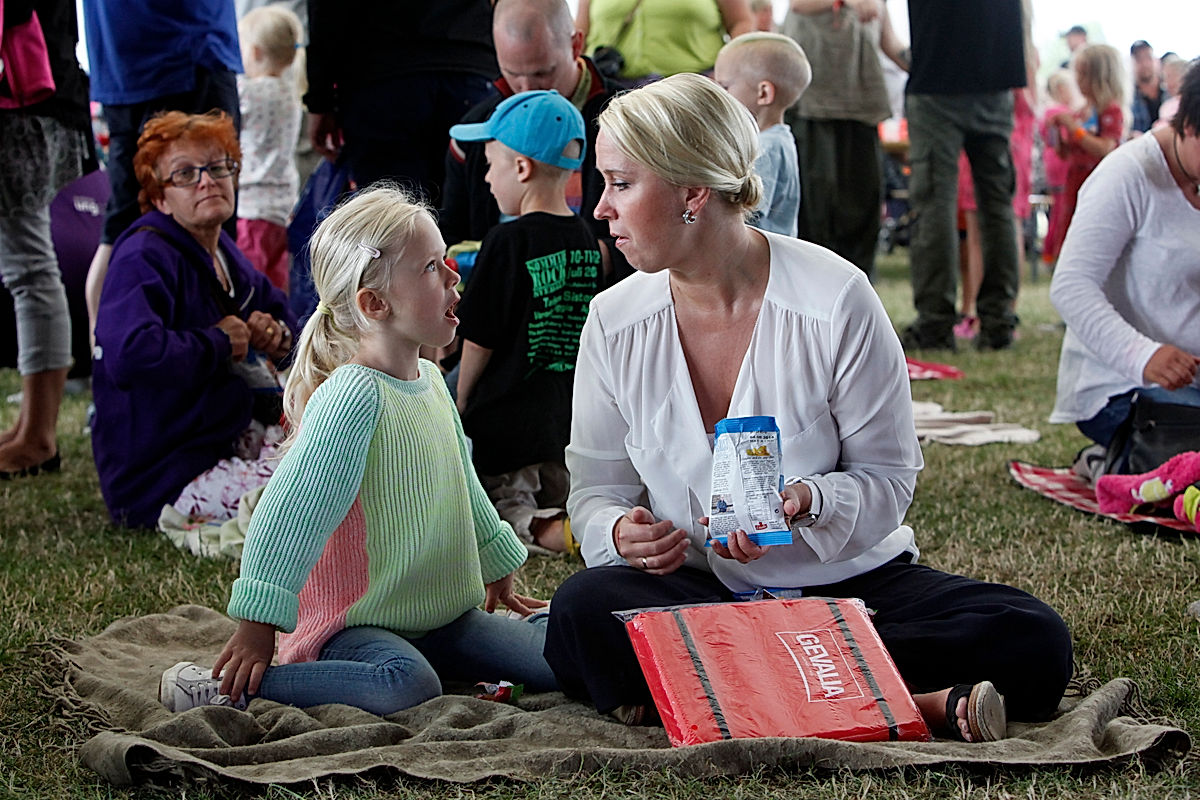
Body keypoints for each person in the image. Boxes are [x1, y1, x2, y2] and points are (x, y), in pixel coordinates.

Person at [543, 73, 1073, 740]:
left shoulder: (835, 299)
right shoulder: (614, 321)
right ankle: (907, 697)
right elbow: (594, 493)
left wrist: (810, 502)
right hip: (699, 589)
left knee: (1033, 638)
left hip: (849, 591)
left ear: (692, 192)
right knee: (581, 612)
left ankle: (730, 687)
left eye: (620, 183)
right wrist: (622, 534)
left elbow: (888, 480)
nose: (600, 208)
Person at [157, 185, 557, 715]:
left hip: (443, 615)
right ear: (375, 303)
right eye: (432, 267)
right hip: (357, 622)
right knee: (407, 686)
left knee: (555, 659)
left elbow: (461, 485)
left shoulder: (434, 382)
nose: (454, 276)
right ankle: (235, 690)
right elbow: (290, 515)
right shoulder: (351, 396)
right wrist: (258, 625)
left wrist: (497, 561)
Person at [91, 111, 298, 528]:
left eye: (219, 166)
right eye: (185, 174)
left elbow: (282, 314)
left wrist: (277, 336)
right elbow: (129, 354)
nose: (208, 180)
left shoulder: (221, 249)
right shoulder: (142, 257)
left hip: (221, 440)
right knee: (311, 486)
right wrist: (217, 342)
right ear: (160, 198)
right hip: (163, 474)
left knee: (339, 454)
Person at [449, 91, 603, 554]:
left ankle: (553, 532)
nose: (487, 178)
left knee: (502, 507)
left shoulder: (506, 241)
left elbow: (480, 335)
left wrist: (461, 398)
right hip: (561, 419)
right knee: (553, 486)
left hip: (506, 420)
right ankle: (567, 510)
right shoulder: (585, 240)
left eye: (491, 164)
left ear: (522, 169)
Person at [1049, 58, 1200, 475]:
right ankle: (1116, 460)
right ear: (1187, 125)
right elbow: (1071, 287)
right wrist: (1143, 355)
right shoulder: (1128, 173)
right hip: (1124, 387)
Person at [81, 0, 243, 343]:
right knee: (207, 211)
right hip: (182, 45)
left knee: (124, 222)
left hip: (125, 56)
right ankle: (113, 362)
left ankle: (108, 362)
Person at [439, 0, 624, 282]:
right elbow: (449, 231)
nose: (526, 89)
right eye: (511, 73)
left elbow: (664, 230)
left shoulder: (627, 122)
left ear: (576, 45)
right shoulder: (473, 133)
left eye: (542, 73)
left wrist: (601, 259)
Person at [0, 0, 95, 477]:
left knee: (29, 266)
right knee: (28, 265)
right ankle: (29, 430)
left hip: (23, 99)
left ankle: (37, 435)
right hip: (36, 92)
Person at [900, 0, 1028, 352]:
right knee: (997, 204)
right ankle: (999, 323)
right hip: (997, 70)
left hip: (937, 73)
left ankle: (935, 325)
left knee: (935, 206)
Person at [304, 0, 496, 204]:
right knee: (469, 215)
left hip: (380, 74)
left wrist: (320, 99)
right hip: (469, 65)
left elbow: (325, 10)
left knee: (392, 218)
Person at [782, 0, 908, 279]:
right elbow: (798, 5)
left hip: (861, 104)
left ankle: (857, 289)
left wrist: (927, 65)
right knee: (815, 207)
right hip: (812, 105)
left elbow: (889, 41)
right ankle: (810, 291)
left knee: (863, 203)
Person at [713, 32, 811, 237]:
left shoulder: (765, 148)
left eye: (725, 87)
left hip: (760, 260)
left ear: (763, 93)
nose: (720, 96)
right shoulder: (775, 140)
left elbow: (746, 215)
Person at [235, 4, 304, 291]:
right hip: (284, 206)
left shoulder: (249, 92)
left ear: (255, 52)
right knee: (276, 285)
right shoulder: (293, 94)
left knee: (247, 286)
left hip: (252, 206)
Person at [1043, 44, 1126, 265]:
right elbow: (1065, 154)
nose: (1078, 80)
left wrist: (1074, 129)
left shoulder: (1111, 111)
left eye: (1082, 74)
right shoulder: (1081, 111)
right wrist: (1058, 136)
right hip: (1074, 181)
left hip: (1099, 182)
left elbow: (1105, 148)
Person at [574, 0, 754, 82]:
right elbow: (579, 34)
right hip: (612, 88)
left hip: (692, 87)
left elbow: (741, 22)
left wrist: (727, 73)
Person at [1130, 40, 1165, 135]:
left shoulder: (1171, 90)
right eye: (1139, 59)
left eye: (1148, 57)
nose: (1145, 64)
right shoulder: (1129, 98)